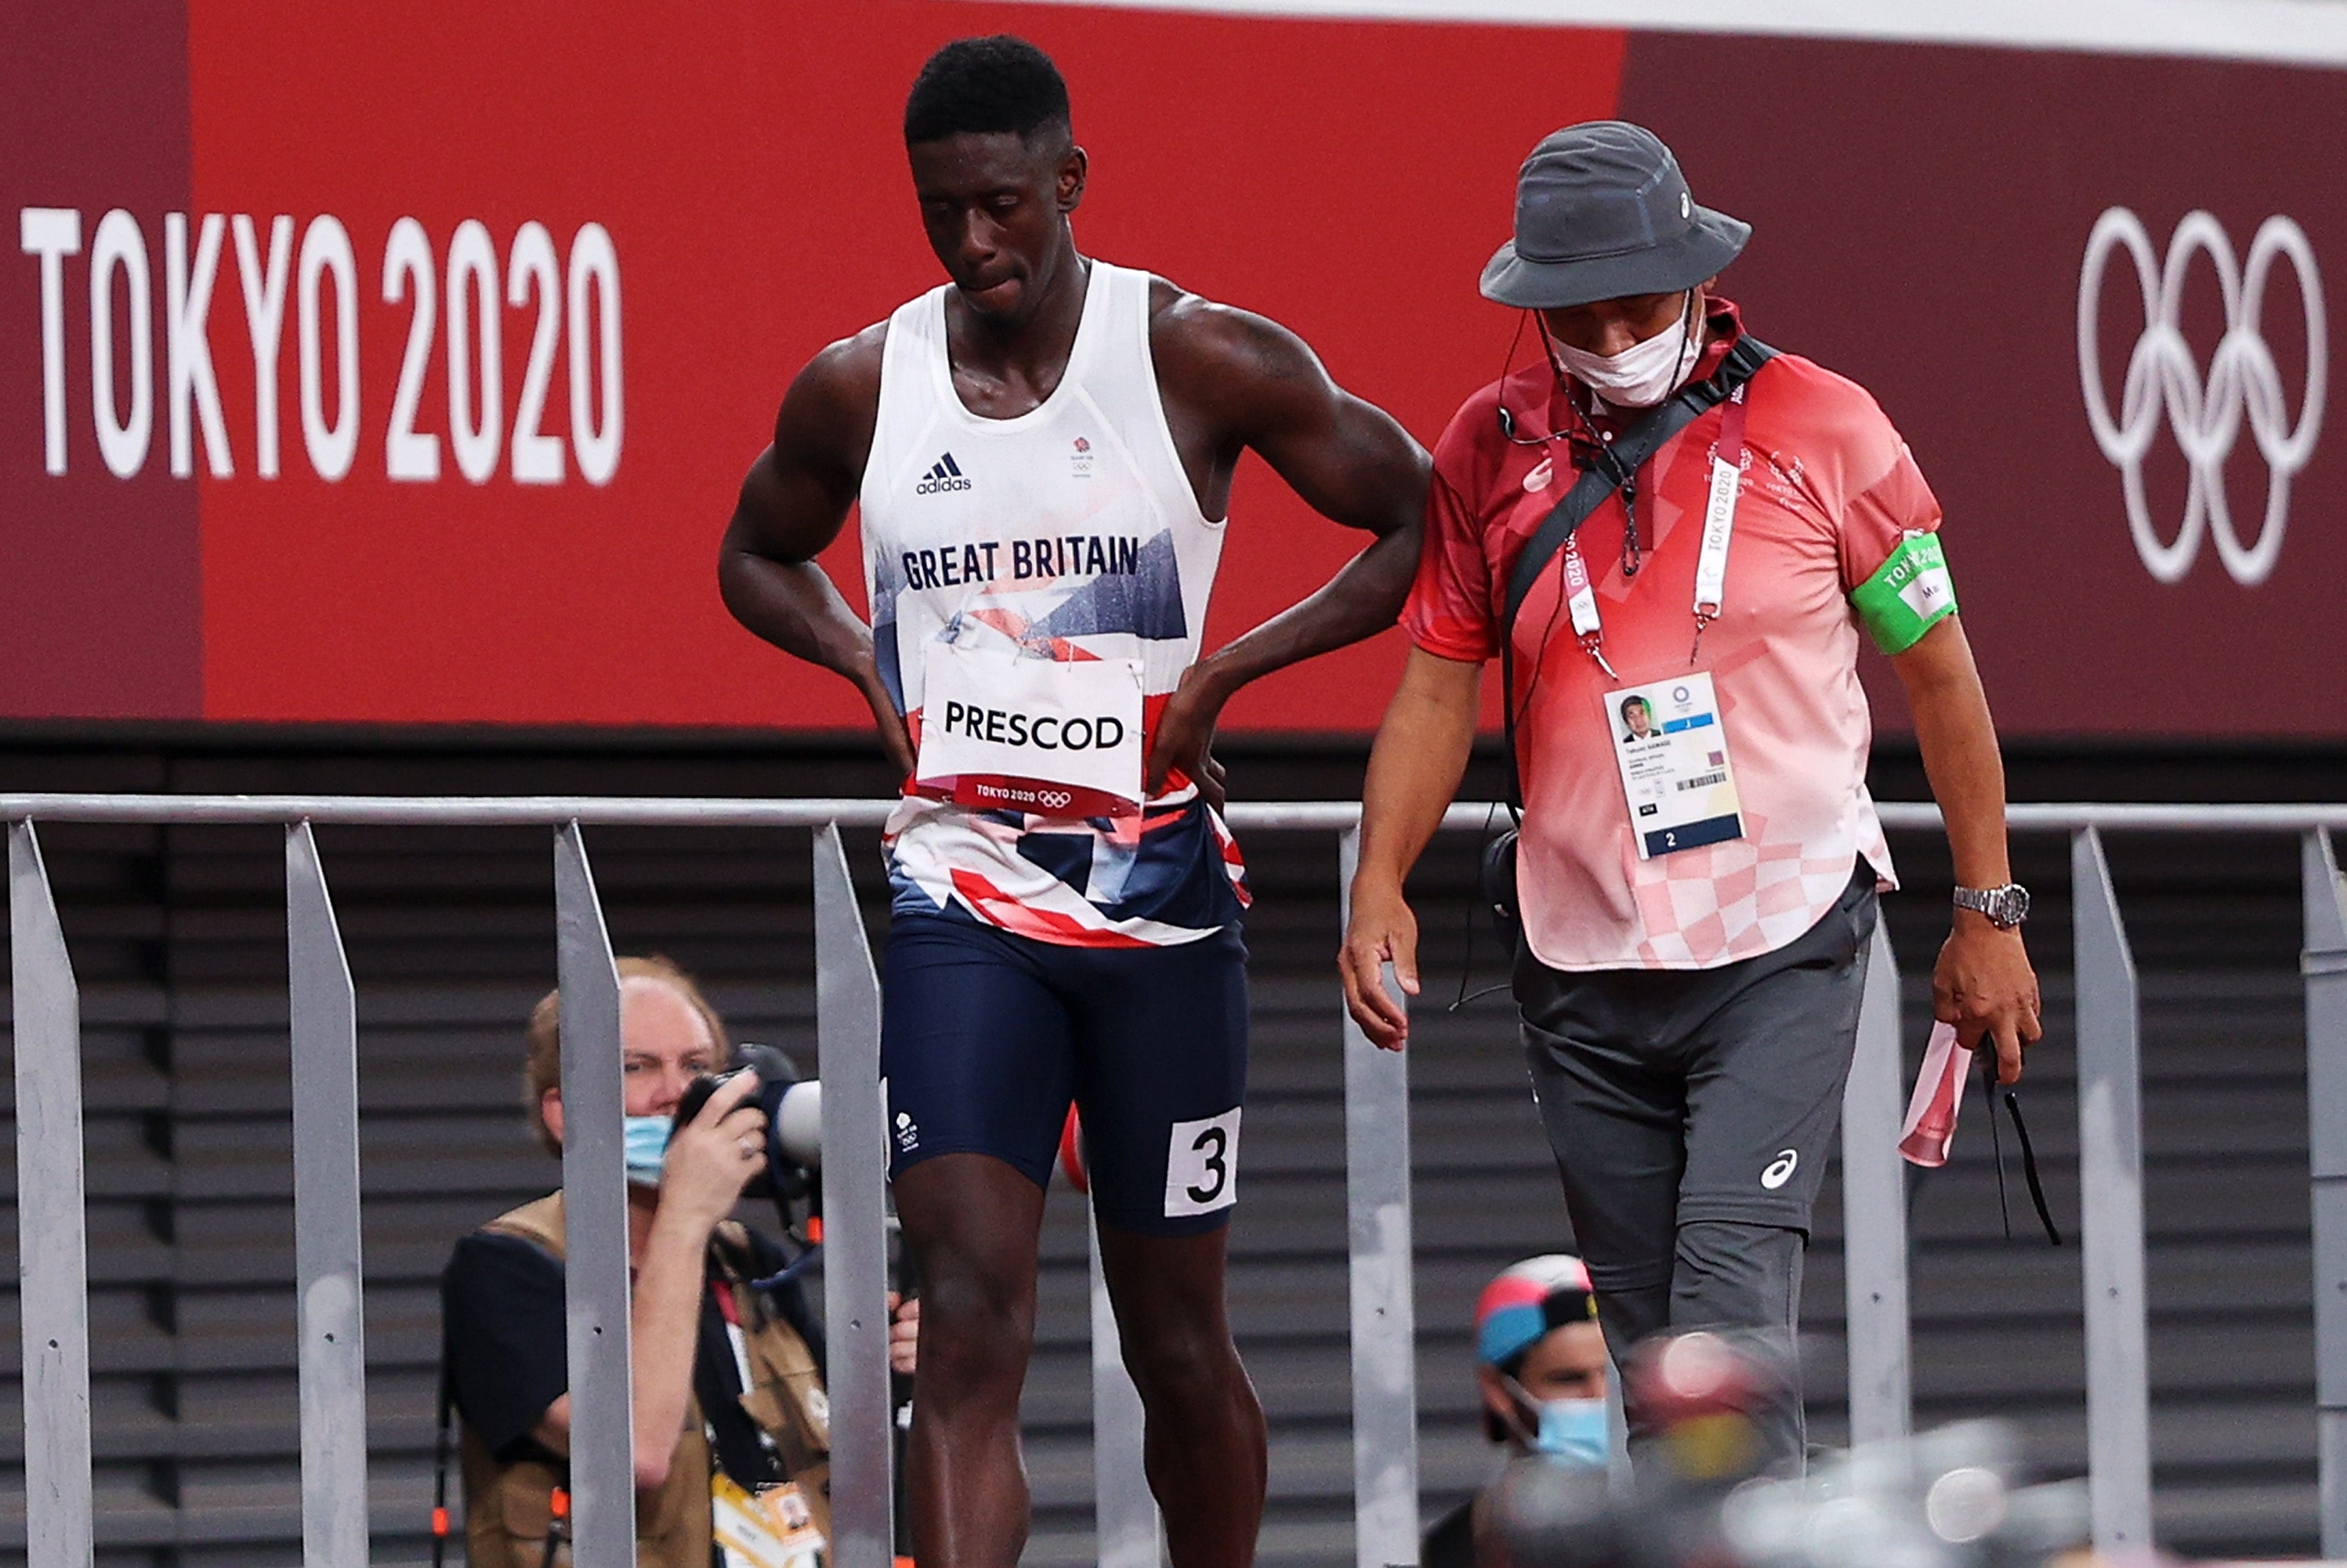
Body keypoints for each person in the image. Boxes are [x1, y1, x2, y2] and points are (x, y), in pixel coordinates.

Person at [716, 34, 1428, 1568]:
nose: (974, 243)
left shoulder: (1196, 356)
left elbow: (1413, 515)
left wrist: (1221, 678)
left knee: (1178, 1339)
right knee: (967, 1313)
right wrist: (865, 665)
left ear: (1069, 181)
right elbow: (754, 551)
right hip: (965, 894)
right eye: (940, 214)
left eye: (1000, 205)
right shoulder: (863, 383)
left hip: (1163, 901)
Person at [1340, 121, 2040, 1472]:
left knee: (1723, 1340)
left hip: (1779, 944)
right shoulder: (1486, 448)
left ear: (1699, 278)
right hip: (1581, 962)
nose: (1607, 332)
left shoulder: (1827, 426)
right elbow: (1436, 684)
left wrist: (1987, 908)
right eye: (1575, 312)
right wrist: (1378, 881)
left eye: (1635, 302)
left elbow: (1943, 677)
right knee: (1657, 1376)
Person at [440, 955, 920, 1568]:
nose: (675, 1093)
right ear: (562, 1112)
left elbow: (828, 1467)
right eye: (636, 1067)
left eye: (695, 1066)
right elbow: (633, 1451)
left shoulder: (750, 1261)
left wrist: (890, 1375)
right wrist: (686, 1216)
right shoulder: (505, 1266)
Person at [1422, 1255, 1610, 1568]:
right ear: (1499, 1391)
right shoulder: (1458, 1549)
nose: (1599, 1397)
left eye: (1613, 1376)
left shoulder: (1674, 1526)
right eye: (1569, 1380)